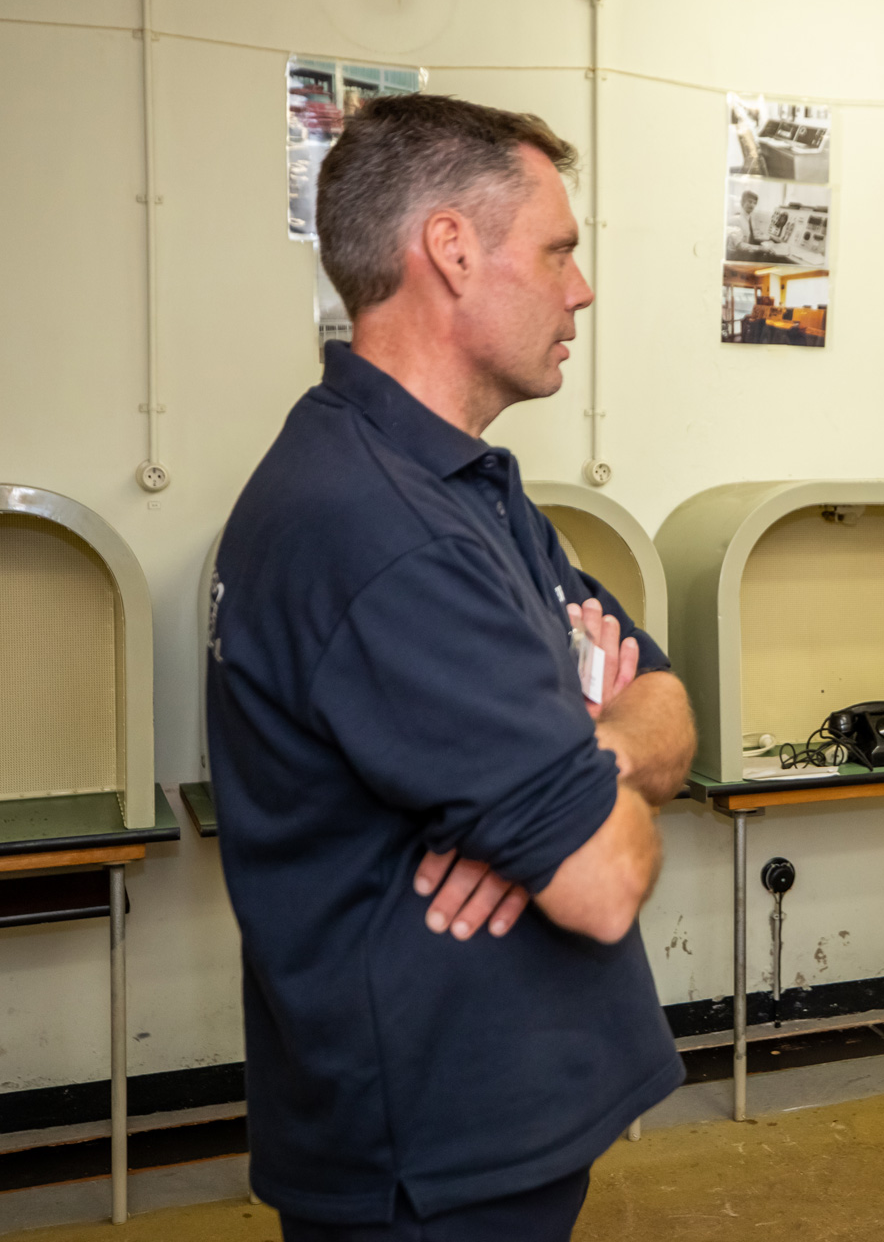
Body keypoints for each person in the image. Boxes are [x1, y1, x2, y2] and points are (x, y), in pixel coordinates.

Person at [207, 93, 696, 1240]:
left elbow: (666, 698)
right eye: (559, 250)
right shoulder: (381, 528)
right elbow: (601, 878)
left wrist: (592, 749)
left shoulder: (461, 486)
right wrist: (571, 804)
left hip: (486, 1124)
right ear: (451, 248)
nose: (580, 289)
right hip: (425, 1161)